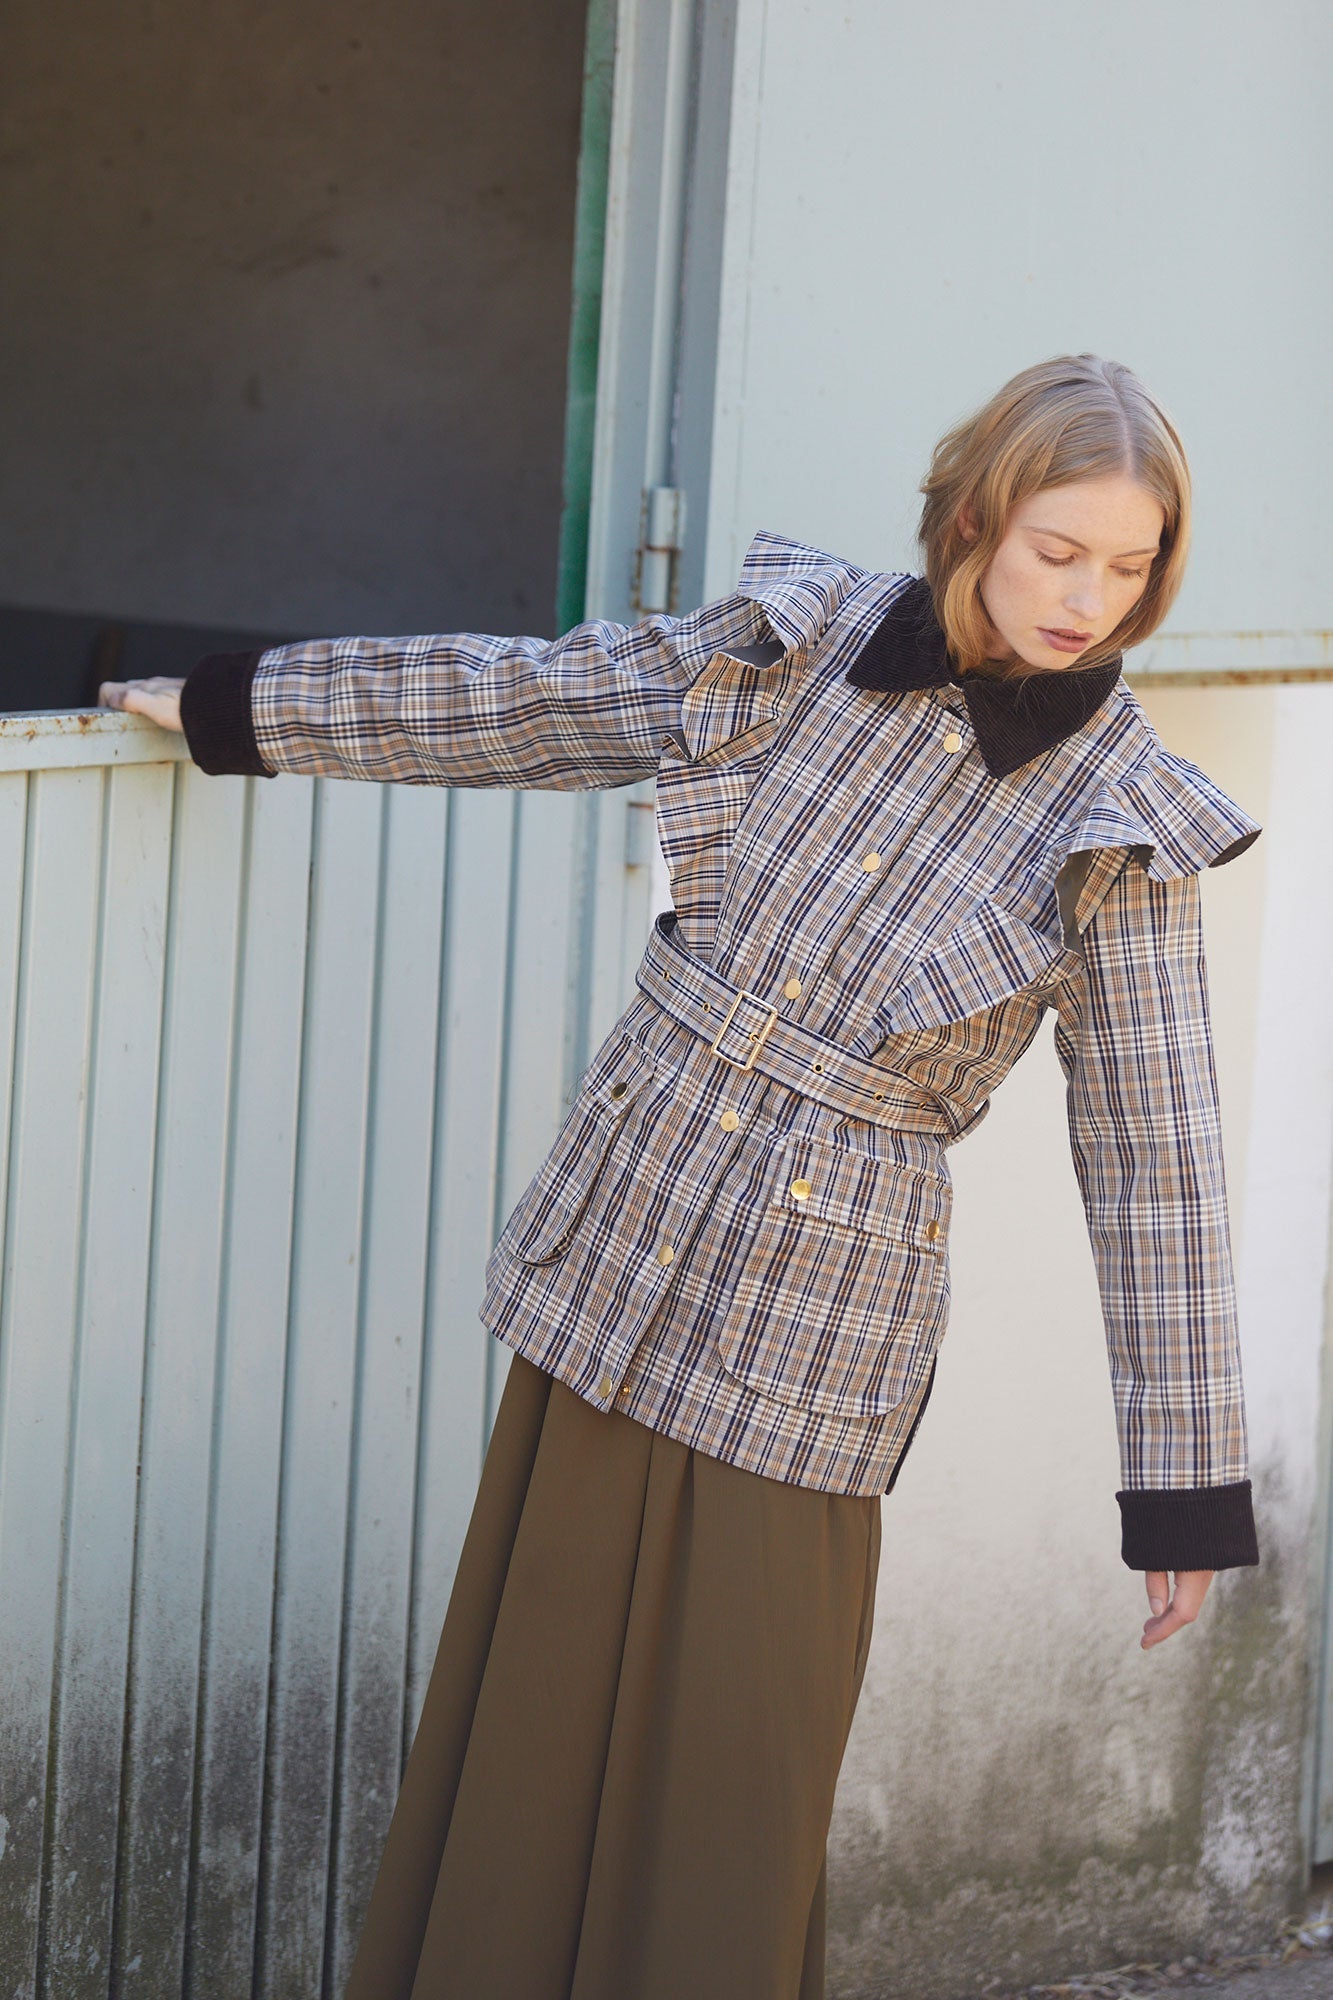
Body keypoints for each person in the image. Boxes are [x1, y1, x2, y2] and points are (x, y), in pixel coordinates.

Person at [100, 352, 1262, 2000]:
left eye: (1129, 565)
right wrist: (243, 710)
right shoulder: (795, 648)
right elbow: (532, 698)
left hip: (819, 1320)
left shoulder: (1125, 821)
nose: (1089, 597)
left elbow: (1157, 1155)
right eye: (1056, 548)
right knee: (534, 1708)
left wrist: (1186, 1480)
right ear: (974, 516)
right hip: (623, 1242)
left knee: (735, 1770)